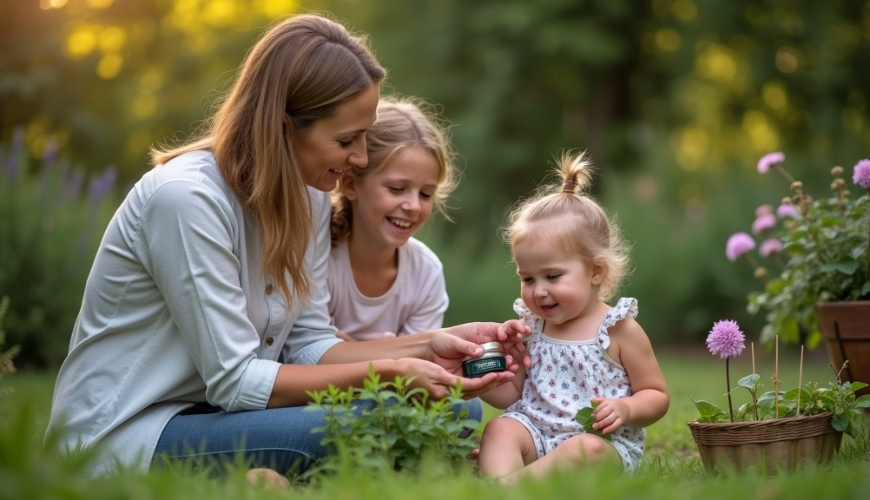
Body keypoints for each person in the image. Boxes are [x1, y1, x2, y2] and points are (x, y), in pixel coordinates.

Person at [45, 14, 527, 477]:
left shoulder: (310, 195)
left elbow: (310, 344)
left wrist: (433, 345)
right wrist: (391, 372)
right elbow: (236, 381)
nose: (359, 158)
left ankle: (263, 476)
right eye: (347, 140)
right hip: (131, 432)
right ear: (281, 126)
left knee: (454, 410)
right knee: (356, 422)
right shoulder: (186, 201)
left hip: (213, 416)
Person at [476, 151, 669, 483]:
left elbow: (657, 394)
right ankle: (505, 480)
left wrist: (625, 410)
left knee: (586, 450)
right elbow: (511, 396)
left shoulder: (619, 329)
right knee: (500, 429)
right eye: (528, 278)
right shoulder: (531, 327)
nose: (538, 291)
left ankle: (508, 486)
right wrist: (486, 378)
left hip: (601, 441)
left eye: (552, 277)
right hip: (535, 431)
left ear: (596, 271)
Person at [327, 96, 458, 342]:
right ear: (351, 185)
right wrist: (390, 353)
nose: (413, 206)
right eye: (397, 188)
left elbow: (412, 372)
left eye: (426, 194)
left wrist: (348, 347)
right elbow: (304, 351)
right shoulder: (317, 259)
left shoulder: (425, 274)